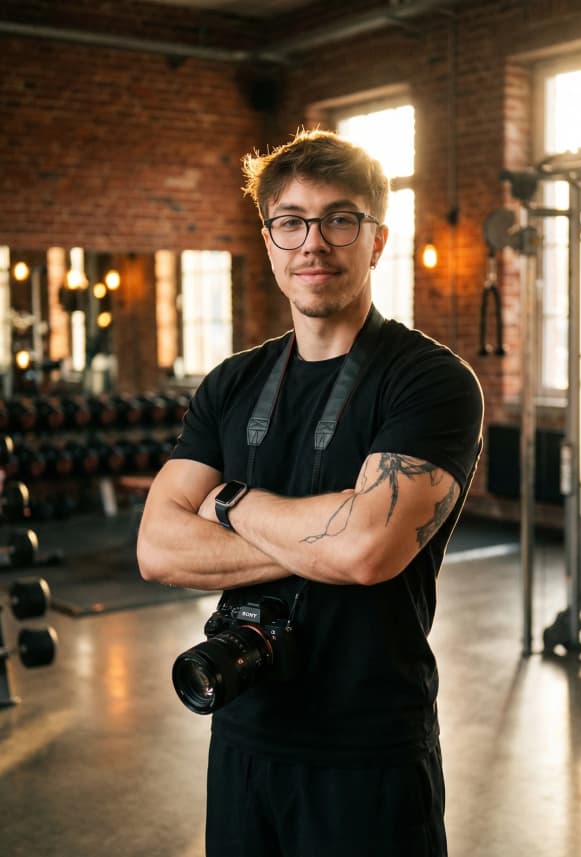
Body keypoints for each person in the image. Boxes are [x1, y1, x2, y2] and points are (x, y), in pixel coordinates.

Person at [137, 128, 483, 857]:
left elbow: (366, 552)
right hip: (240, 729)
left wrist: (227, 501)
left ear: (378, 240)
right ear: (269, 241)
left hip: (368, 749)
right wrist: (330, 536)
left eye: (339, 220)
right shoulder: (231, 383)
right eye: (290, 222)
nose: (313, 244)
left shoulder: (430, 381)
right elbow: (157, 548)